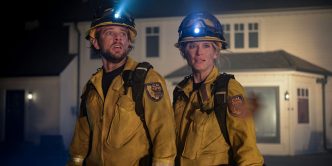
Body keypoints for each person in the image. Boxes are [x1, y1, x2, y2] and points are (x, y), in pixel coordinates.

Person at [67, 7, 176, 166]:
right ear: (96, 42)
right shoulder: (91, 87)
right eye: (110, 33)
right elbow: (81, 139)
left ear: (128, 42)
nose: (118, 38)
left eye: (123, 34)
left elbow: (164, 132)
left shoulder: (146, 79)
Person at [173, 11, 264, 166]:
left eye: (206, 45)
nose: (199, 52)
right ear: (183, 51)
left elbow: (247, 148)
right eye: (193, 45)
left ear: (216, 52)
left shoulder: (229, 90)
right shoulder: (180, 92)